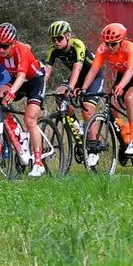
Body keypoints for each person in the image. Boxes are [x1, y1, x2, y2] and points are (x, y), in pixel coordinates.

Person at [0, 23, 48, 177]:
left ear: (13, 43)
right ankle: (16, 131)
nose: (0, 49)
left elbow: (22, 75)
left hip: (35, 80)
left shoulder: (22, 50)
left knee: (30, 119)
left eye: (5, 46)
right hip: (17, 80)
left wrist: (12, 92)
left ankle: (38, 163)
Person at [80, 23, 133, 156]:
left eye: (113, 44)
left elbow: (130, 70)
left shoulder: (129, 47)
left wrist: (121, 86)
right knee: (112, 105)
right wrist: (84, 88)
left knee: (129, 98)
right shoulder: (103, 49)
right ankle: (124, 138)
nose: (110, 47)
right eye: (107, 44)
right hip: (123, 74)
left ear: (121, 41)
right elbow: (93, 70)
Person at [42, 20, 104, 166]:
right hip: (78, 77)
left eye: (59, 38)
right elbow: (46, 72)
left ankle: (93, 148)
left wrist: (70, 88)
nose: (56, 42)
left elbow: (77, 69)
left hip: (94, 76)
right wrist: (40, 89)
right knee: (59, 94)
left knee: (87, 109)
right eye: (53, 39)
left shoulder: (78, 45)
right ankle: (77, 126)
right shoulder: (53, 50)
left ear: (68, 36)